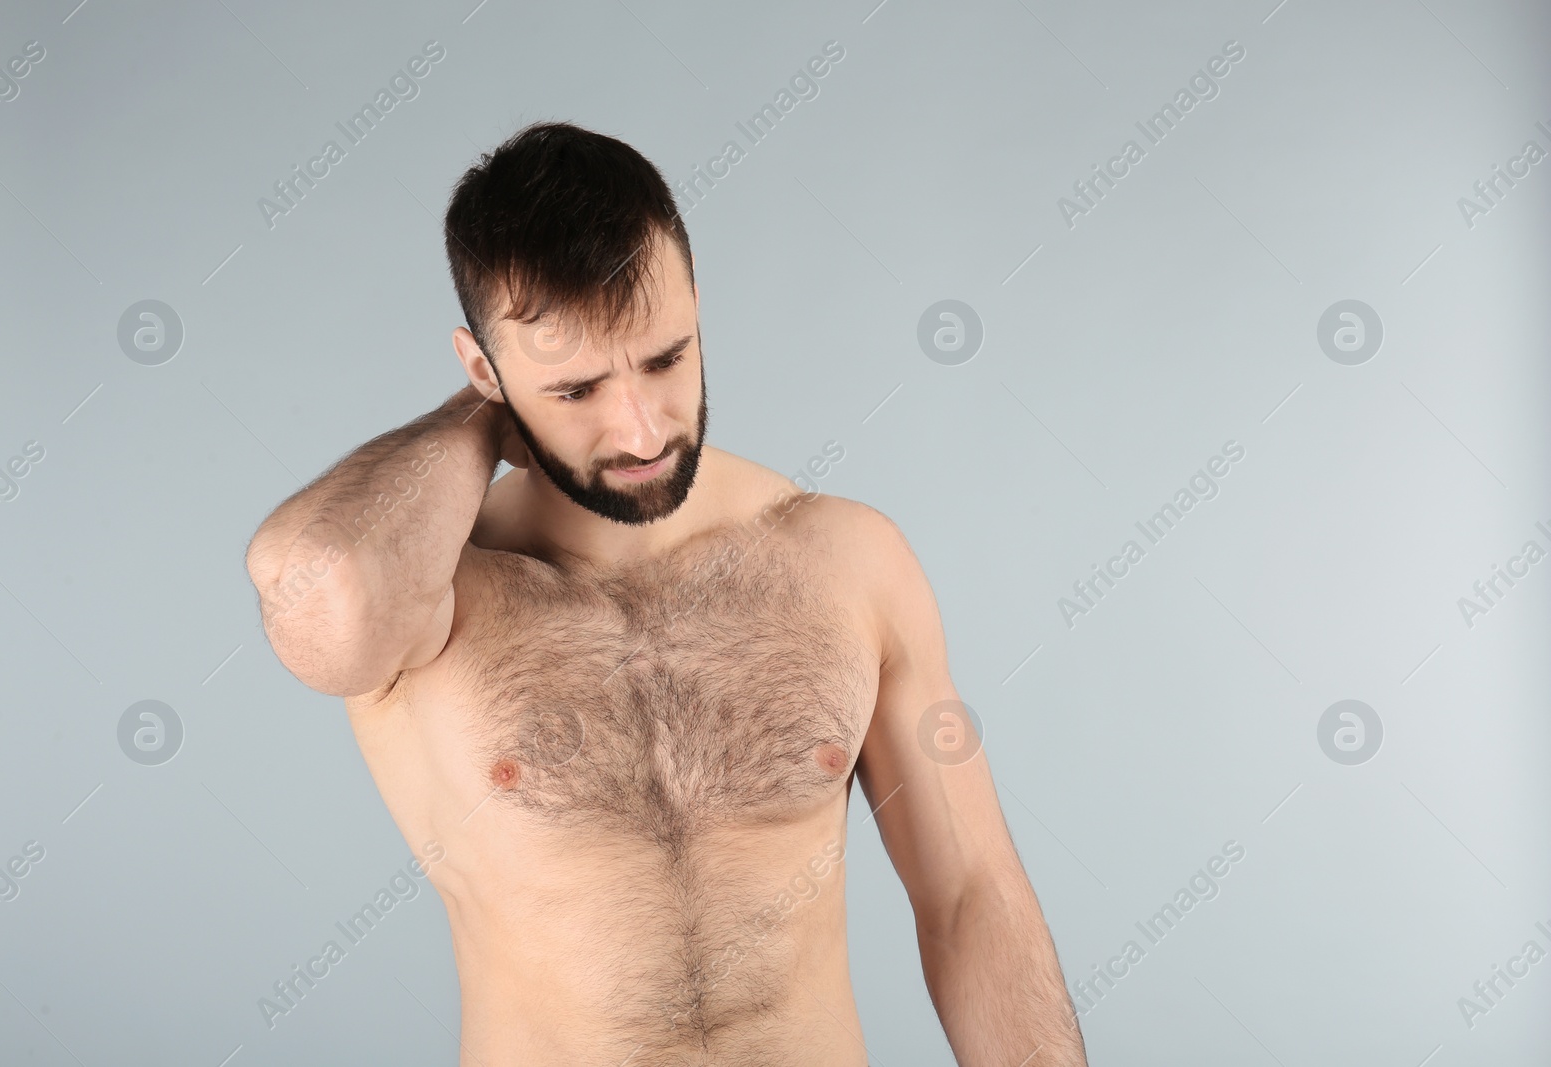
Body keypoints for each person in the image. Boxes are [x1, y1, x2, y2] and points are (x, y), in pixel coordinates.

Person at [244, 120, 1087, 1067]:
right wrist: (477, 422)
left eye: (664, 358)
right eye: (575, 390)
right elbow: (325, 599)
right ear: (484, 371)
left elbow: (970, 894)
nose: (641, 430)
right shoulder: (428, 598)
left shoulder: (847, 561)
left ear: (696, 309)